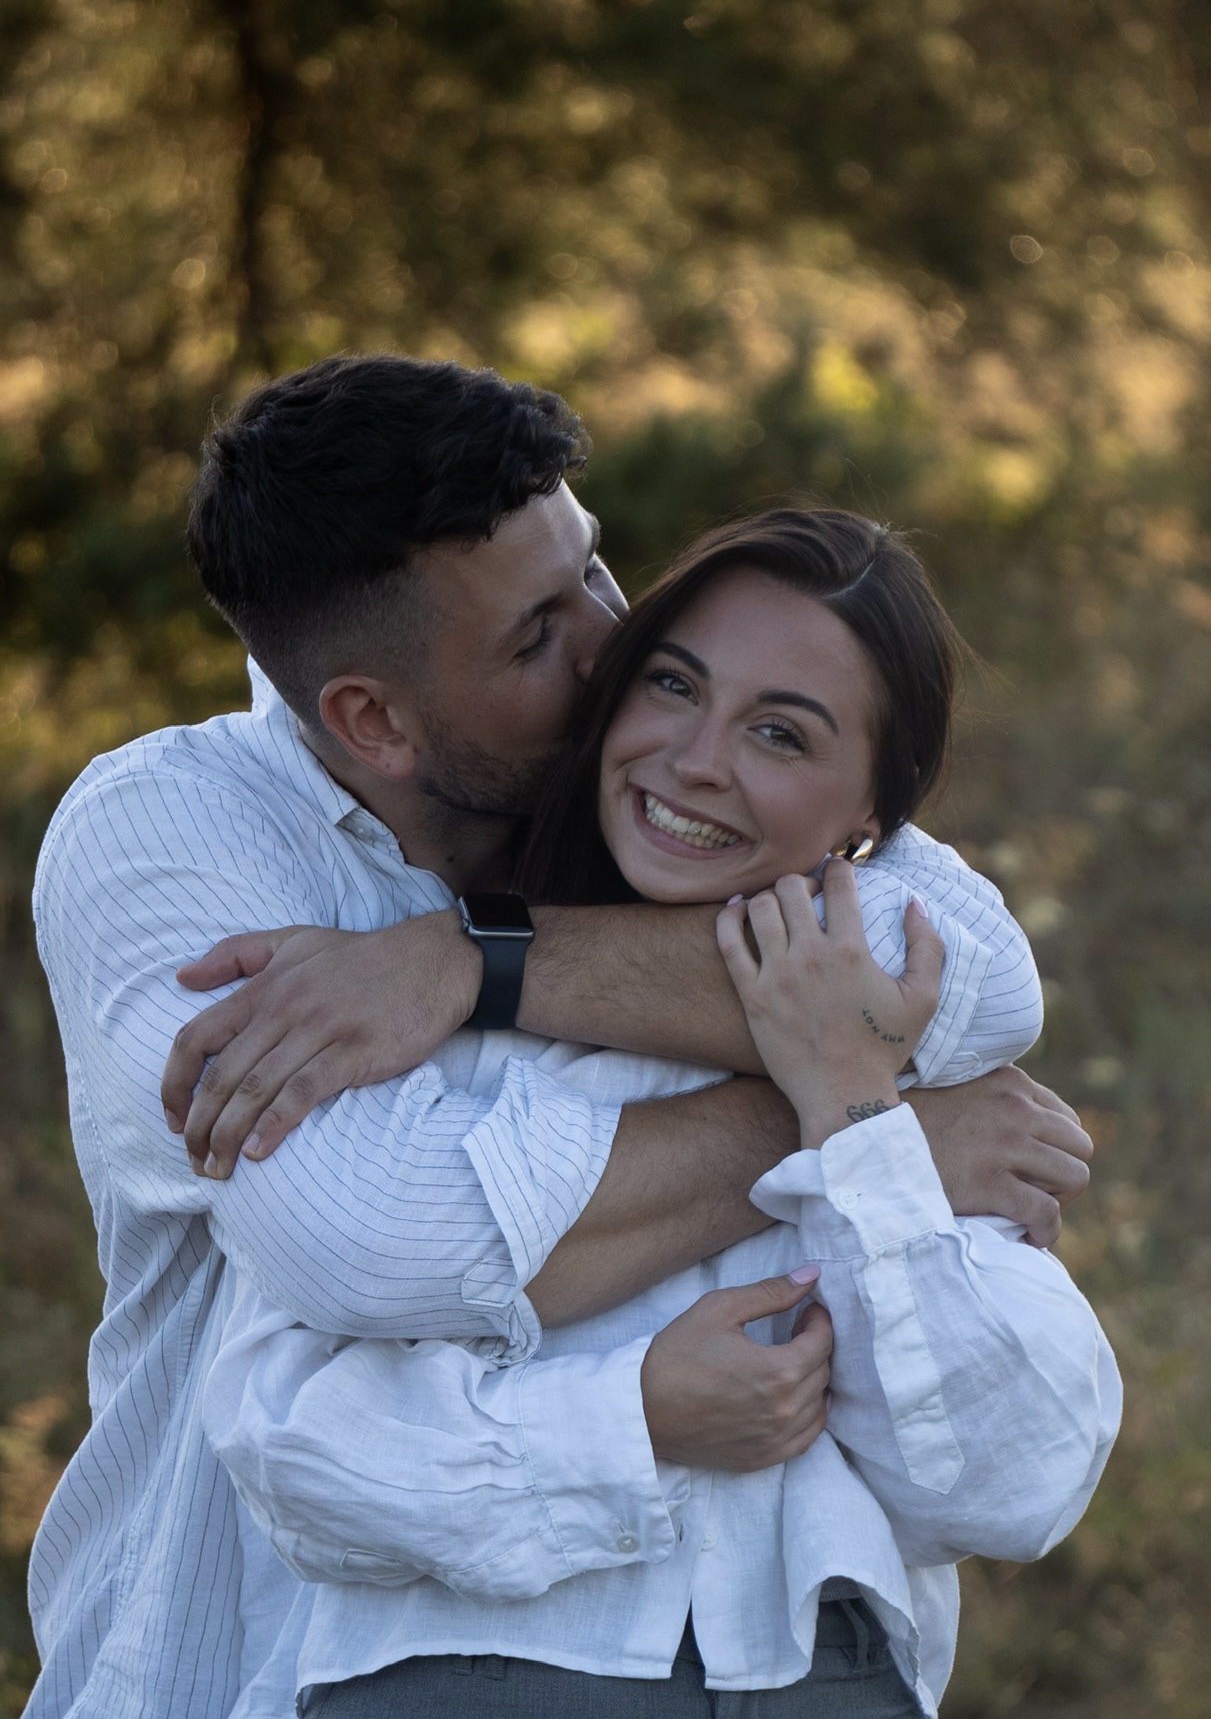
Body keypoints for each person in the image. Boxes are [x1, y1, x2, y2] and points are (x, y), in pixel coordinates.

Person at [29, 356, 1092, 1719]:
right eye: (539, 634)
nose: (611, 646)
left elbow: (975, 976)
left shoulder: (645, 798)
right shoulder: (169, 833)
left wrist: (470, 962)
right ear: (373, 720)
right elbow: (381, 1241)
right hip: (235, 1655)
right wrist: (869, 1124)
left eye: (593, 569)